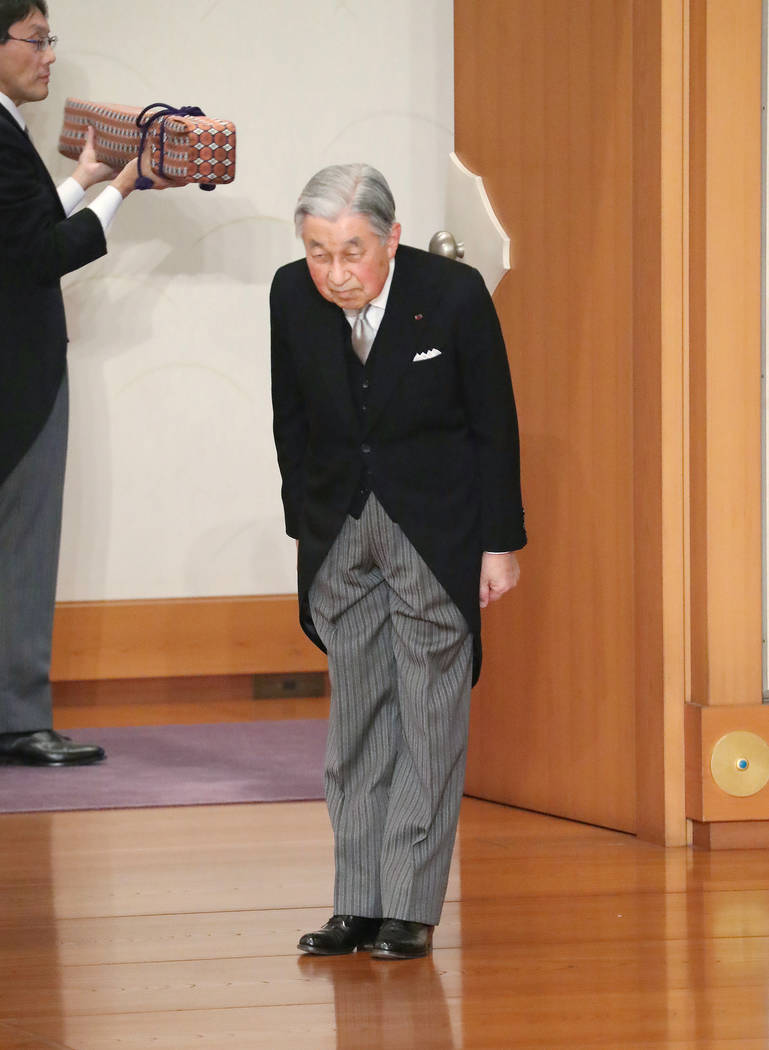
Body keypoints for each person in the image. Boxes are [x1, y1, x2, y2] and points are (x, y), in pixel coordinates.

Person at [271, 163, 526, 960]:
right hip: (339, 534)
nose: (335, 273)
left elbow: (494, 426)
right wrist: (304, 531)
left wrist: (499, 543)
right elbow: (290, 419)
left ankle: (408, 907)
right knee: (354, 722)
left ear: (393, 236)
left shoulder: (452, 295)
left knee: (428, 717)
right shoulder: (288, 294)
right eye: (318, 252)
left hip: (433, 532)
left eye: (352, 251)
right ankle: (357, 901)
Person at [0, 0, 175, 766]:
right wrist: (125, 185)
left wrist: (81, 180)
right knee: (25, 548)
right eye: (37, 41)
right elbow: (42, 257)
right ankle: (18, 718)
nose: (49, 57)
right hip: (20, 379)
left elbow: (21, 234)